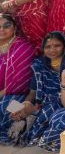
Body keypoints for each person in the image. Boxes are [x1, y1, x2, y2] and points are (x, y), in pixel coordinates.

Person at [11, 32, 65, 147]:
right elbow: (33, 92)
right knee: (11, 108)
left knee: (53, 115)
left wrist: (32, 108)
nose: (52, 50)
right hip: (41, 103)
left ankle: (32, 122)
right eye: (48, 47)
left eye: (57, 45)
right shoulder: (40, 64)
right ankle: (24, 117)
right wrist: (26, 104)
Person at [0, 14, 34, 145]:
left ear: (14, 28)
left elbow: (19, 83)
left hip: (19, 96)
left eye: (6, 25)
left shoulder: (23, 48)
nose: (2, 29)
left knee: (5, 108)